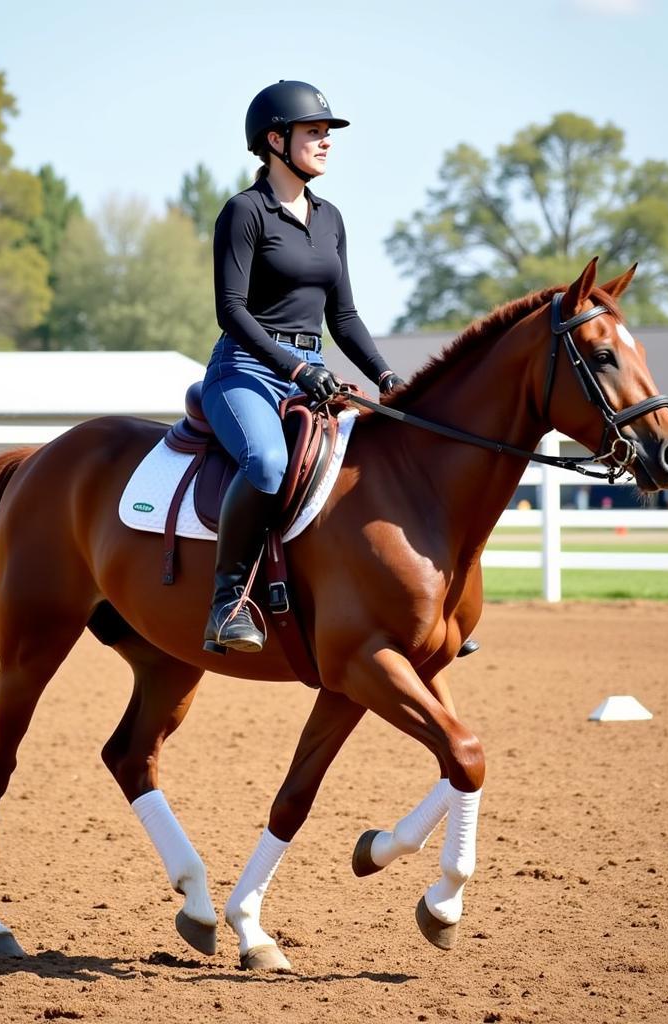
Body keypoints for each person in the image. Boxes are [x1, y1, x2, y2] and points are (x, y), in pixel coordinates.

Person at [201, 80, 404, 655]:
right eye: (314, 132)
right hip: (246, 370)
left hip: (311, 370)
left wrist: (388, 377)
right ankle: (227, 602)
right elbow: (231, 311)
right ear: (275, 140)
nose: (325, 142)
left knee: (383, 459)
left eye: (326, 134)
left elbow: (344, 317)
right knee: (267, 462)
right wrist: (294, 367)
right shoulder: (244, 212)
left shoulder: (331, 218)